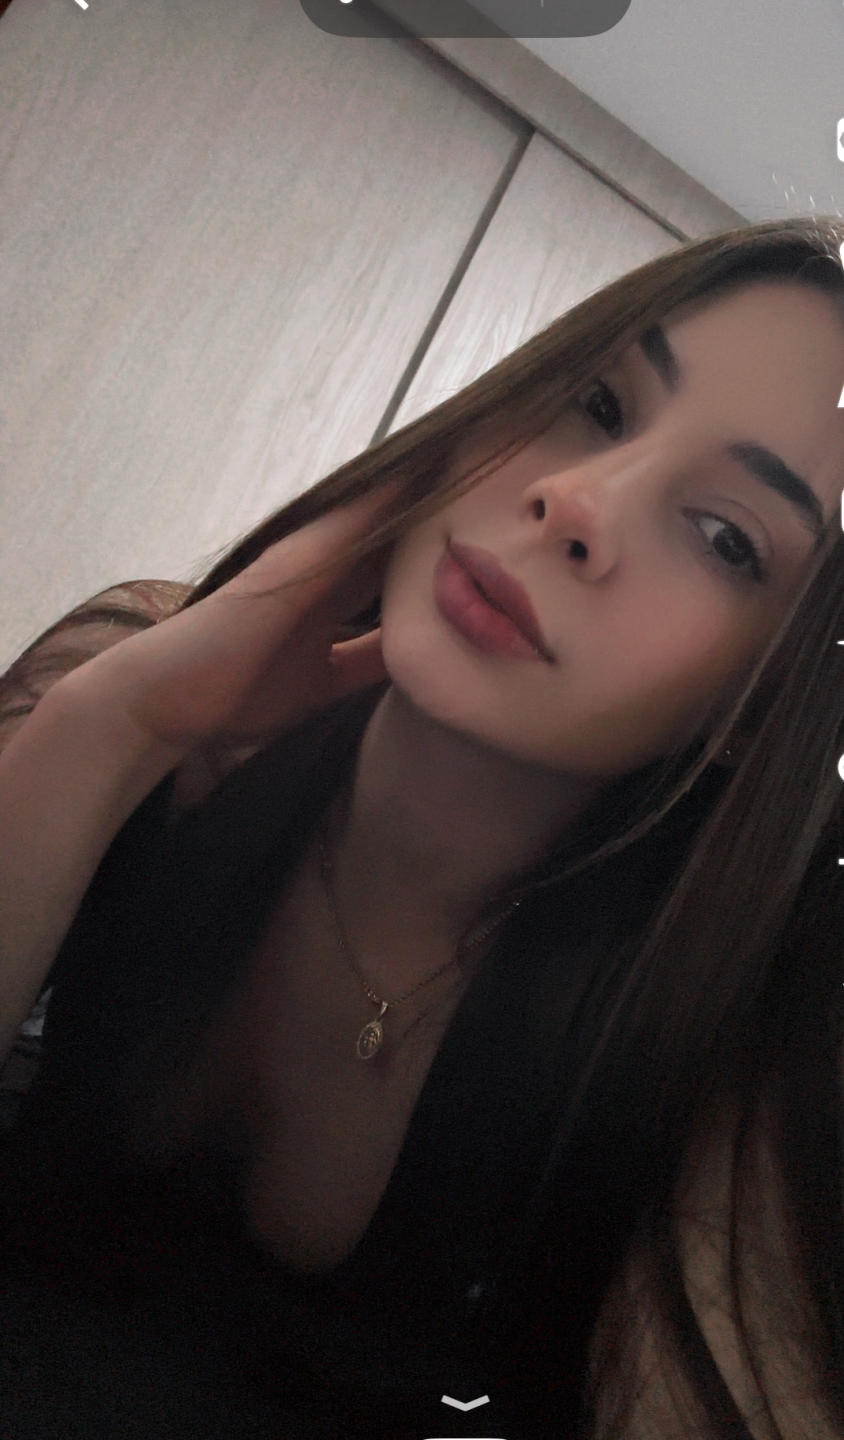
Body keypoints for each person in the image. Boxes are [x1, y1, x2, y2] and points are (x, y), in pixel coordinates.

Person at [0, 216, 843, 1439]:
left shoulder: (715, 1041)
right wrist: (111, 728)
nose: (578, 502)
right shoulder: (131, 677)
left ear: (759, 711)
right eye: (597, 405)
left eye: (724, 538)